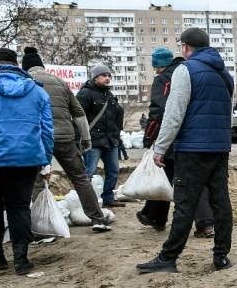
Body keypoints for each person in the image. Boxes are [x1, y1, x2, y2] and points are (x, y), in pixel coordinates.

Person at [136, 28, 234, 273]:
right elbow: (226, 113)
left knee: (185, 204)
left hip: (191, 148)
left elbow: (173, 114)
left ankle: (168, 258)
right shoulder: (225, 74)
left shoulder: (185, 70)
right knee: (220, 202)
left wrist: (160, 148)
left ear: (186, 47)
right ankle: (221, 256)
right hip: (219, 147)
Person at [0, 47, 53, 274]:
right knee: (19, 208)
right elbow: (47, 130)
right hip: (26, 160)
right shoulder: (38, 91)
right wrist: (45, 159)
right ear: (16, 64)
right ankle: (21, 259)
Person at [22, 47, 110, 233]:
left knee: (37, 182)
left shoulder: (24, 82)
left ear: (25, 67)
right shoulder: (59, 82)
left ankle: (43, 226)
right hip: (65, 138)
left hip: (37, 140)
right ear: (42, 65)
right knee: (80, 178)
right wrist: (86, 138)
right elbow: (78, 113)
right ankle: (97, 219)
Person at [136, 47, 215, 236]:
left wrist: (150, 138)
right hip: (199, 135)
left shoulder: (164, 80)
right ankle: (154, 216)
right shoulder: (192, 72)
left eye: (157, 67)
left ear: (162, 65)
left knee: (184, 179)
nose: (156, 71)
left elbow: (159, 112)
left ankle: (205, 223)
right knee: (169, 175)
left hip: (175, 137)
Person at [77, 64, 126, 207]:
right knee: (88, 172)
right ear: (95, 77)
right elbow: (78, 117)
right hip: (93, 141)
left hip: (110, 141)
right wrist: (79, 138)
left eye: (109, 75)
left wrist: (116, 134)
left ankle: (108, 198)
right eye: (104, 75)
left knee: (113, 171)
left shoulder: (109, 95)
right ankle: (85, 202)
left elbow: (116, 116)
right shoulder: (85, 94)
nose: (108, 78)